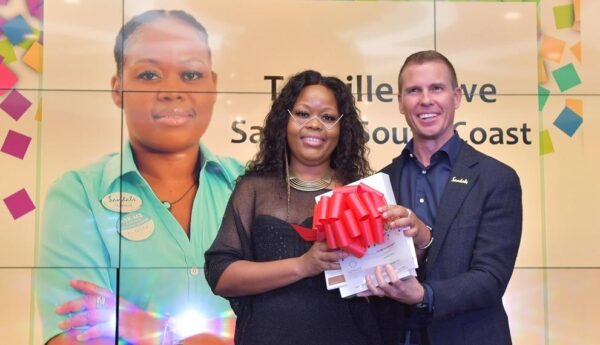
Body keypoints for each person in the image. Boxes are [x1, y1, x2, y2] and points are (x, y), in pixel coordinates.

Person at [36, 10, 243, 344]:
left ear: (214, 85)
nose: (172, 90)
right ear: (118, 89)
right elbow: (71, 338)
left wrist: (147, 328)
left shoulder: (254, 187)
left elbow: (293, 326)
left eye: (191, 74)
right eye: (149, 75)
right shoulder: (78, 195)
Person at [204, 70, 381, 345]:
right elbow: (220, 275)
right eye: (302, 113)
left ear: (341, 128)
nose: (314, 125)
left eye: (328, 117)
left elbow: (388, 272)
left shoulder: (360, 193)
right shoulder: (253, 189)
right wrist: (303, 265)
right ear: (284, 121)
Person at [362, 50, 522, 345]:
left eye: (437, 88)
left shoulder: (496, 179)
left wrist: (423, 294)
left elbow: (491, 278)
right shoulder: (377, 186)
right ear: (400, 102)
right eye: (413, 91)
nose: (426, 100)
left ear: (457, 96)